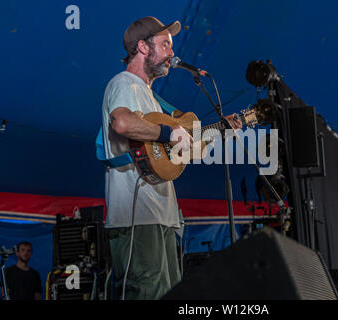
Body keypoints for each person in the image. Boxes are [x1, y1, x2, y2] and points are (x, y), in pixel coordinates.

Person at [102, 16, 241, 300]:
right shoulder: (124, 84)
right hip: (136, 217)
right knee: (147, 291)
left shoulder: (153, 99)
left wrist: (218, 131)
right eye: (165, 44)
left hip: (160, 216)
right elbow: (122, 123)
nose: (171, 53)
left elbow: (184, 148)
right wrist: (167, 134)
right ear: (142, 47)